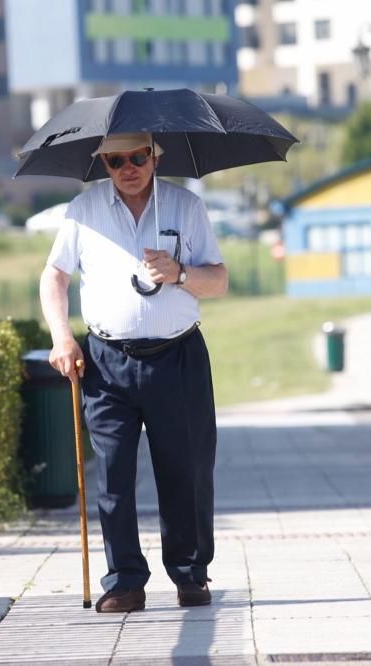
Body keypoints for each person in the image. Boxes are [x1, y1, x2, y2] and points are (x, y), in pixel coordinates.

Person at [39, 131, 228, 613]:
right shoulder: (84, 210)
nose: (128, 167)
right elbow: (55, 276)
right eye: (115, 160)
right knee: (113, 473)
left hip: (178, 356)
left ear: (154, 156)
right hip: (106, 360)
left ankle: (190, 574)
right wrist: (62, 337)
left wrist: (181, 273)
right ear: (103, 163)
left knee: (186, 470)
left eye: (137, 157)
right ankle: (124, 580)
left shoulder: (185, 207)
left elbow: (219, 280)